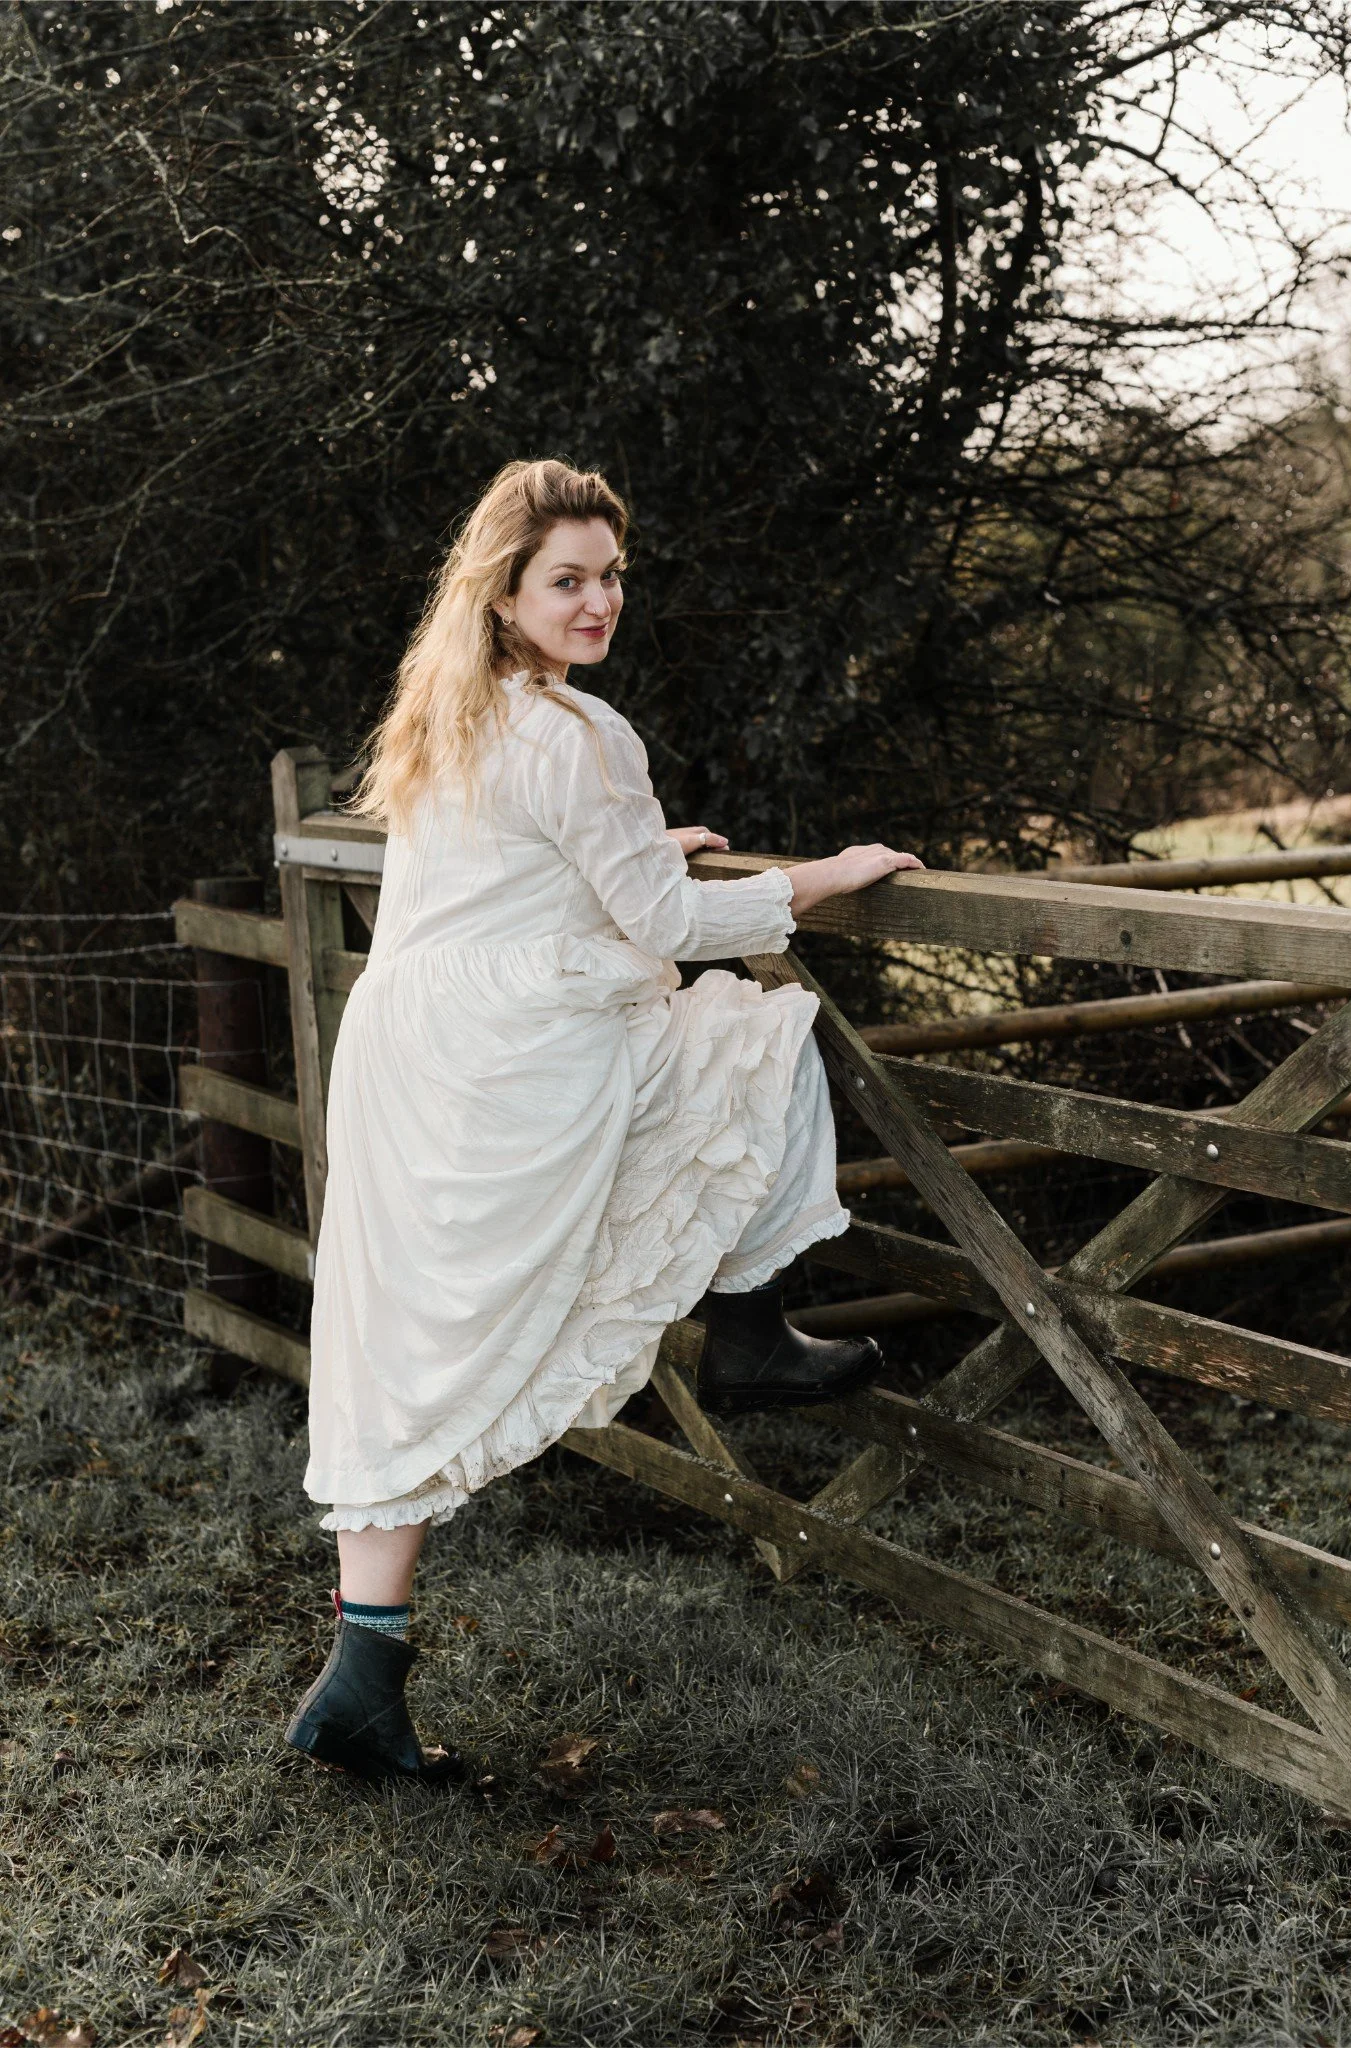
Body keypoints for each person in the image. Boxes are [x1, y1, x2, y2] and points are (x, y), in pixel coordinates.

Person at [285, 458, 924, 1783]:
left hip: (407, 1053)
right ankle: (749, 1329)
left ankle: (360, 1682)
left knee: (402, 1344)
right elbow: (672, 927)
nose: (597, 602)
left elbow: (513, 874)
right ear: (506, 591)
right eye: (566, 580)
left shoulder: (449, 712)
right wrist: (822, 881)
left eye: (610, 576)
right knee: (760, 1035)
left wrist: (637, 846)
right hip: (509, 1054)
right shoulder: (576, 732)